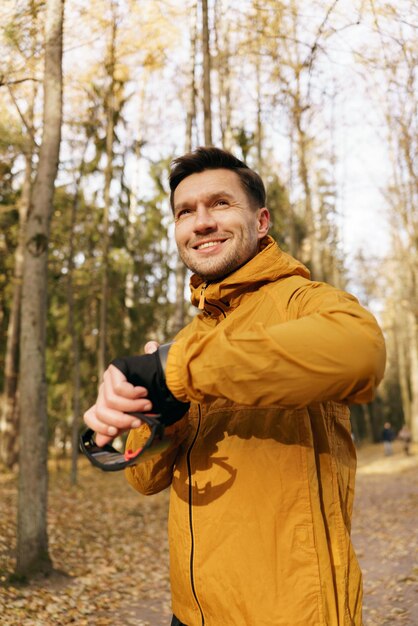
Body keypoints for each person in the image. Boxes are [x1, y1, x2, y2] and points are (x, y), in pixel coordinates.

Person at [84, 147, 386, 626]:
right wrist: (158, 413)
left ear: (261, 221)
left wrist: (176, 370)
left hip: (289, 615)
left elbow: (362, 352)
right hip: (191, 613)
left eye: (220, 204)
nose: (201, 222)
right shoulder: (190, 340)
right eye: (186, 212)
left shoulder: (304, 301)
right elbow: (144, 480)